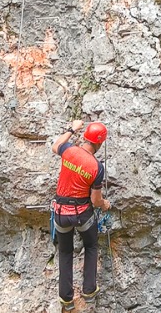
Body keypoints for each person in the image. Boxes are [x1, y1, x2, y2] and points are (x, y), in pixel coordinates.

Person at [52, 119, 111, 311]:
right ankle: (89, 290)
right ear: (100, 143)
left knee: (65, 251)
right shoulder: (96, 167)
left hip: (60, 213)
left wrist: (71, 129)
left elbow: (55, 146)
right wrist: (105, 204)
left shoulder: (69, 151)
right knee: (91, 246)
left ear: (85, 137)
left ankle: (66, 300)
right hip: (81, 215)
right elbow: (95, 201)